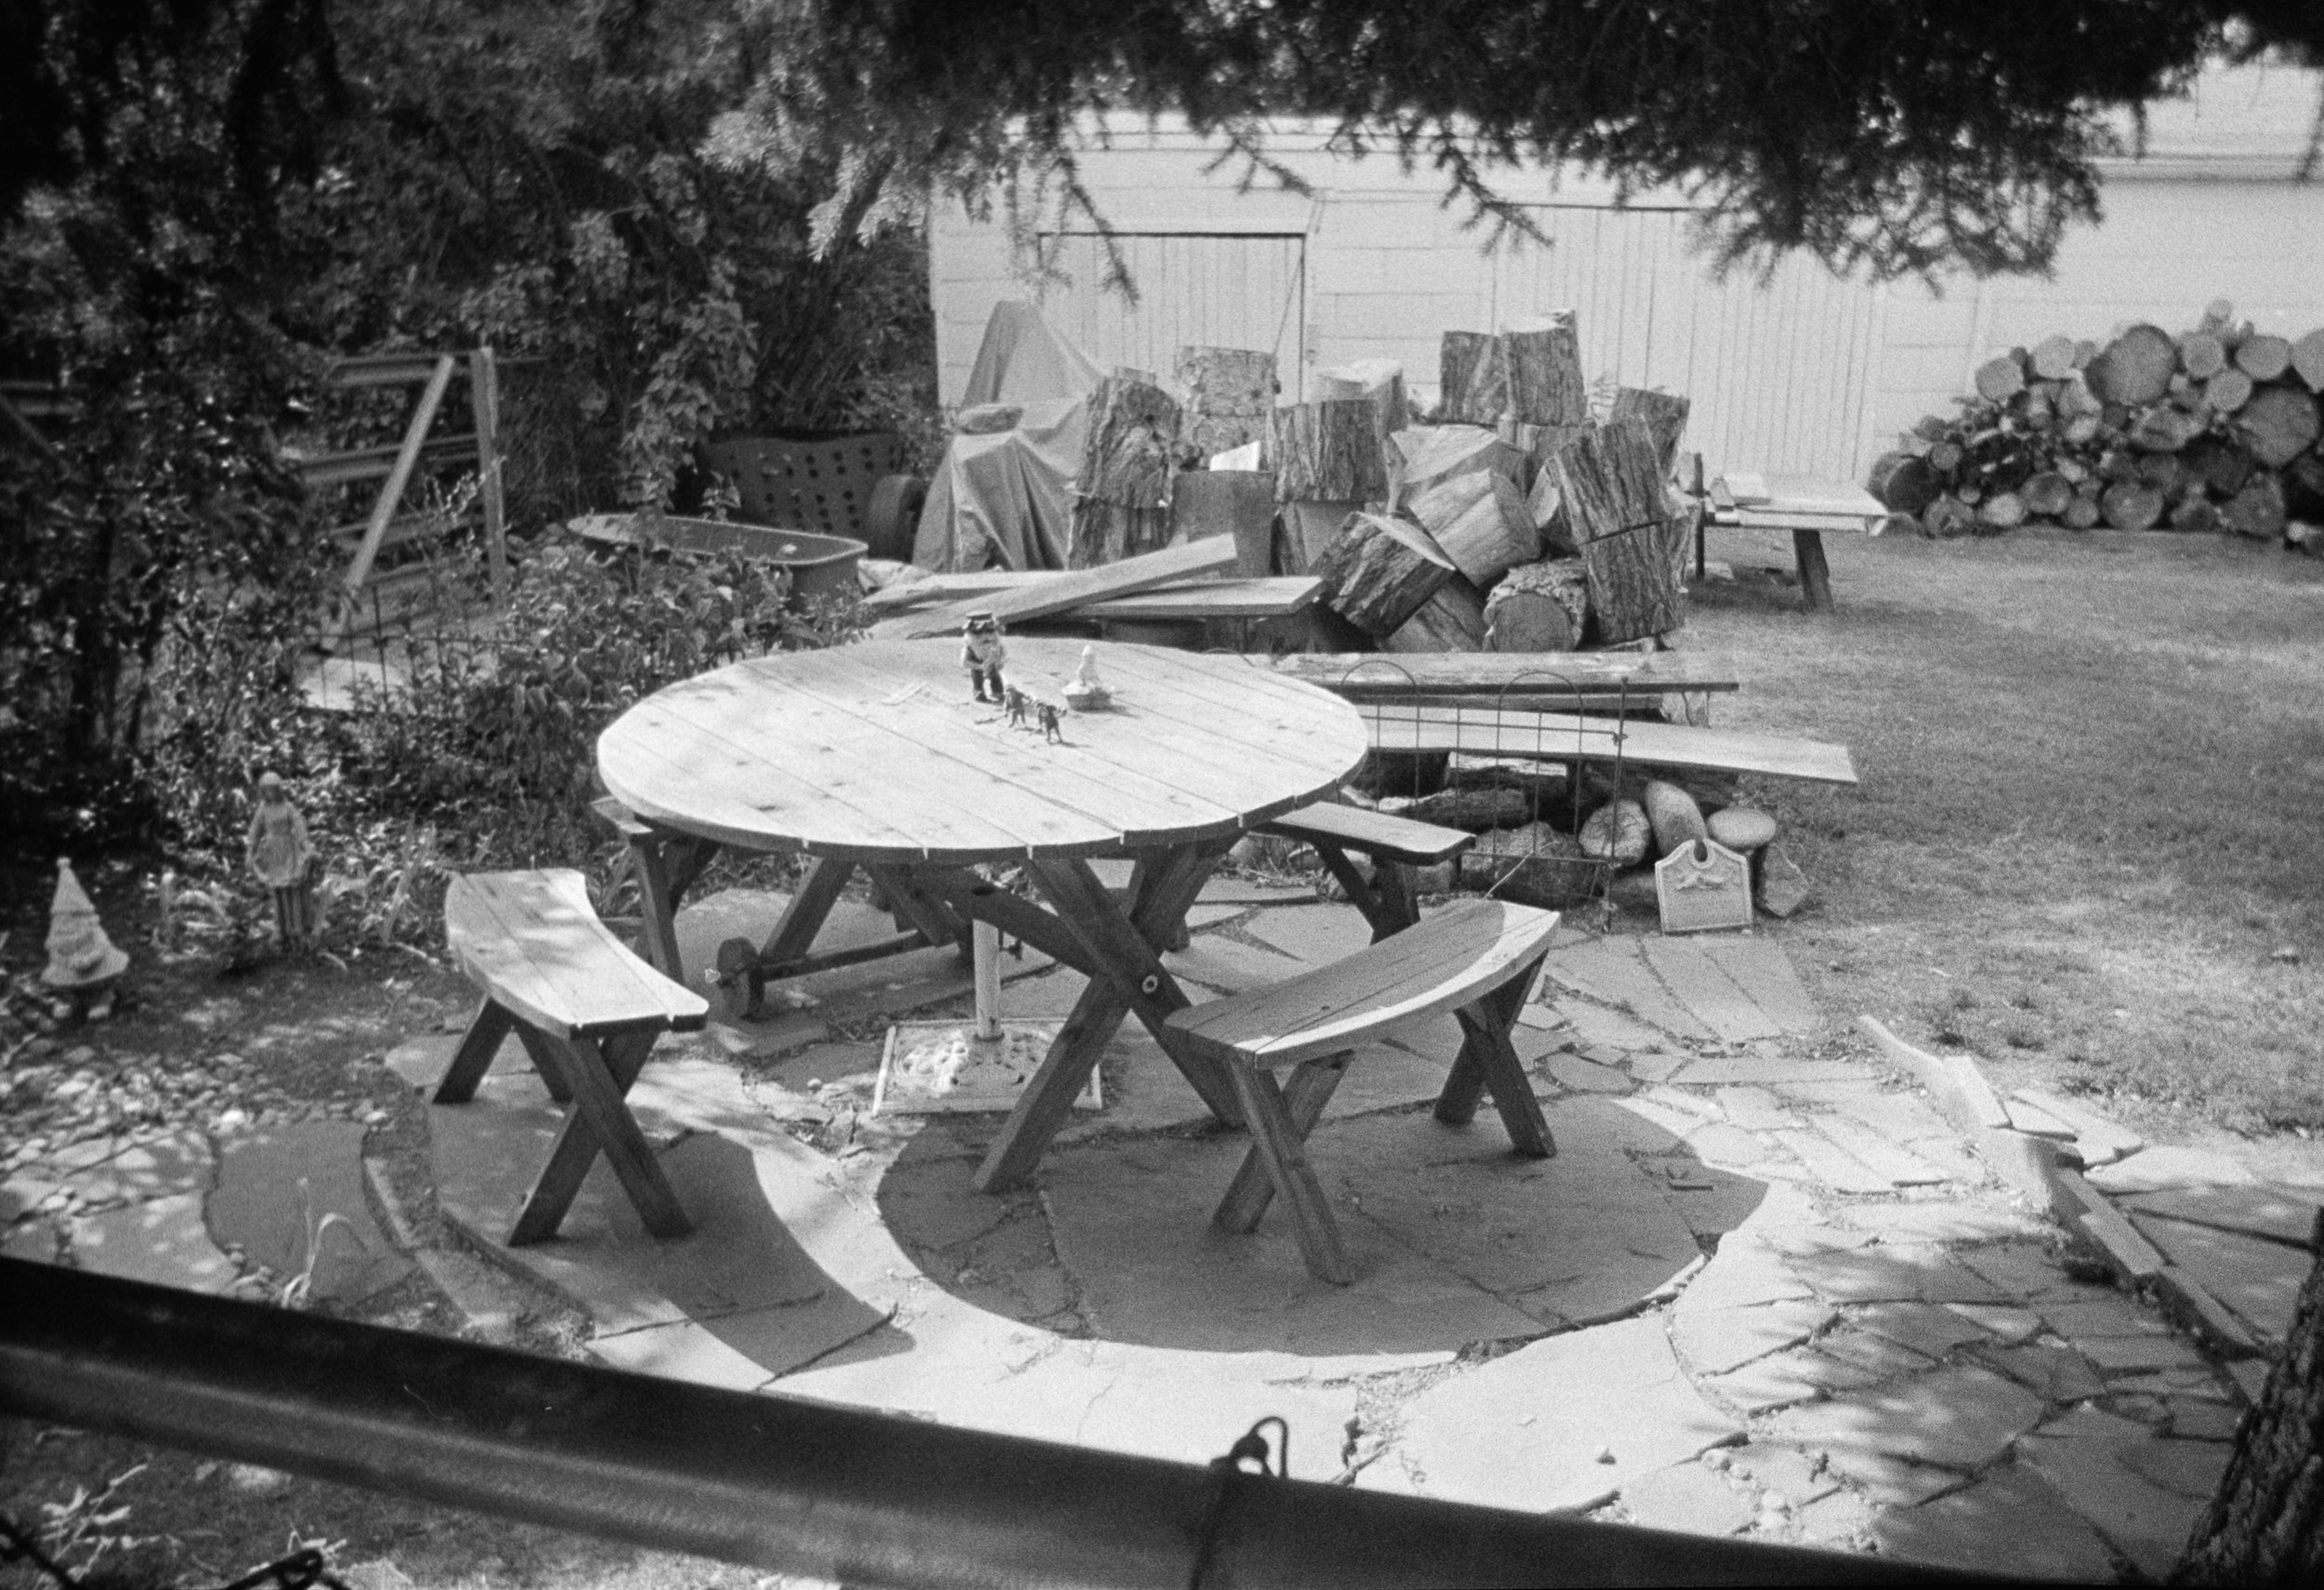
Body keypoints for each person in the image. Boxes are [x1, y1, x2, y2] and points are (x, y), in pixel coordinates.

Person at [245, 771, 318, 947]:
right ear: (263, 791)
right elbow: (255, 831)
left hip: (288, 849)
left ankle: (297, 927)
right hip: (272, 852)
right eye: (267, 790)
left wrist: (305, 845)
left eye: (273, 789)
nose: (271, 793)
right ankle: (280, 928)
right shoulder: (263, 810)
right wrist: (250, 850)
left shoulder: (288, 807)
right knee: (277, 891)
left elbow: (299, 826)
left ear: (278, 789)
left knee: (292, 889)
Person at [960, 612, 1007, 703]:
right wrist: (979, 666)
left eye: (990, 632)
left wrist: (1000, 660)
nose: (986, 638)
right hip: (977, 663)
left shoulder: (995, 642)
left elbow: (1002, 652)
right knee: (978, 680)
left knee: (996, 677)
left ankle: (997, 692)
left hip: (992, 662)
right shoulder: (970, 648)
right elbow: (964, 662)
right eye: (978, 637)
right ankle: (979, 695)